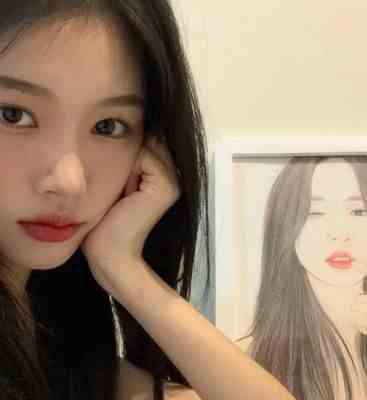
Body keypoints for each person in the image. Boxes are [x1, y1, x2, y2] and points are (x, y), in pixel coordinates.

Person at [0, 1, 298, 400]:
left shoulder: (56, 352)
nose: (70, 182)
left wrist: (123, 268)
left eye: (108, 126)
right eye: (13, 114)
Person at [243, 156, 367, 399]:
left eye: (358, 211)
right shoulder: (245, 360)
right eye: (314, 213)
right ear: (286, 226)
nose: (340, 233)